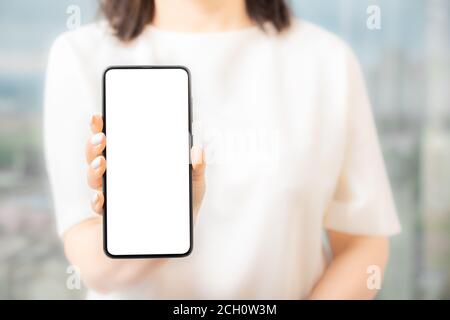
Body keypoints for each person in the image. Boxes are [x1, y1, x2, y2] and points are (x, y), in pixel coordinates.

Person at [44, 0, 401, 299]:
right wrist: (176, 216)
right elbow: (97, 270)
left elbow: (362, 241)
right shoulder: (80, 56)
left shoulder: (327, 60)